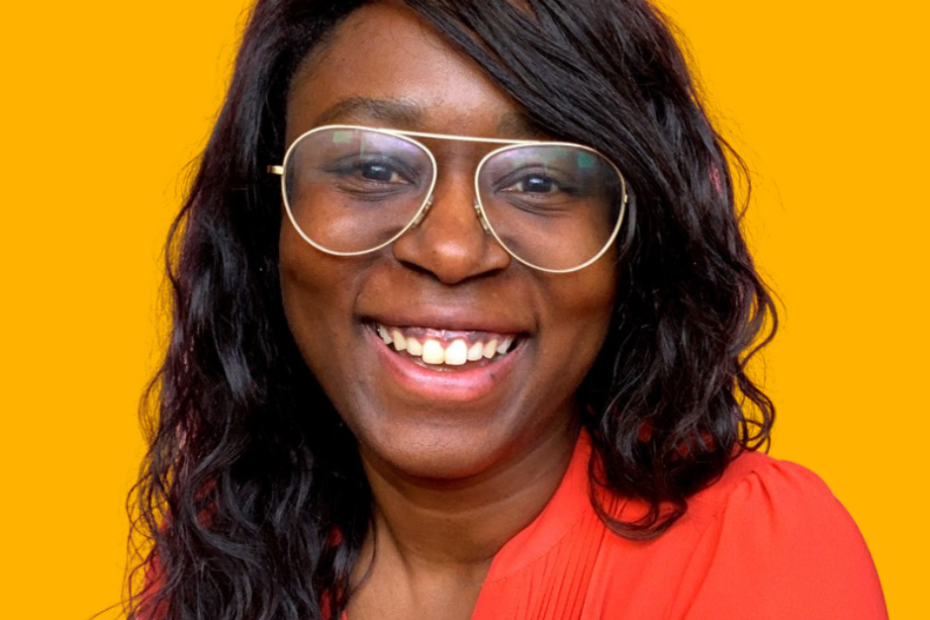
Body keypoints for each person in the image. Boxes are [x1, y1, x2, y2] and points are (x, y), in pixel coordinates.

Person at [128, 1, 887, 619]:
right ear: (269, 218)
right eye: (371, 166)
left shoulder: (757, 554)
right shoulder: (222, 548)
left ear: (631, 237)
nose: (453, 251)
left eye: (540, 180)